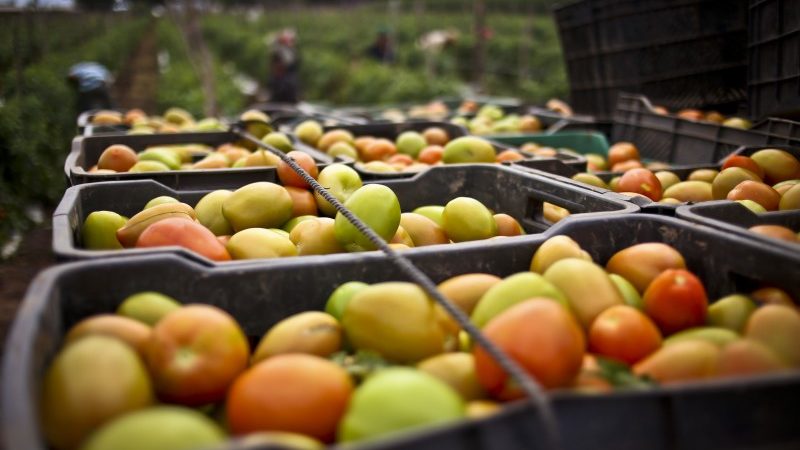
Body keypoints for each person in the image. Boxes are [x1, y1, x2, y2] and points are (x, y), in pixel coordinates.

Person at [268, 28, 300, 104]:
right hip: (280, 83)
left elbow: (290, 63)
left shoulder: (291, 51)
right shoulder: (278, 50)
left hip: (288, 84)